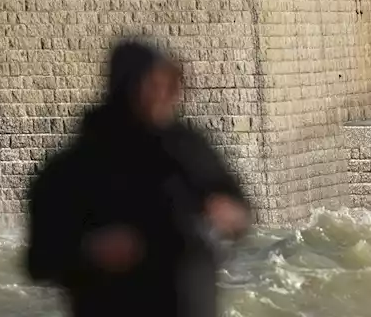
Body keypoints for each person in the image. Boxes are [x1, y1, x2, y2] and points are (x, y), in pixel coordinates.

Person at [24, 38, 251, 317]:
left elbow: (240, 209)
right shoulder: (75, 166)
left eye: (169, 85)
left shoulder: (190, 147)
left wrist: (229, 213)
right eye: (154, 85)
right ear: (126, 87)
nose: (166, 94)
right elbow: (39, 261)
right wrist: (90, 251)